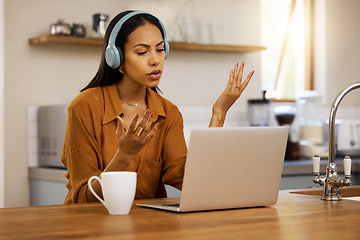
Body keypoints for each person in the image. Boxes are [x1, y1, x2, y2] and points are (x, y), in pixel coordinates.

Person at [61, 10, 254, 204]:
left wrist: (219, 113)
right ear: (117, 56)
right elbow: (84, 198)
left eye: (160, 49)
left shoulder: (168, 113)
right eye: (142, 52)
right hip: (90, 226)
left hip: (148, 227)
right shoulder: (83, 108)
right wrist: (124, 155)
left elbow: (193, 181)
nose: (155, 60)